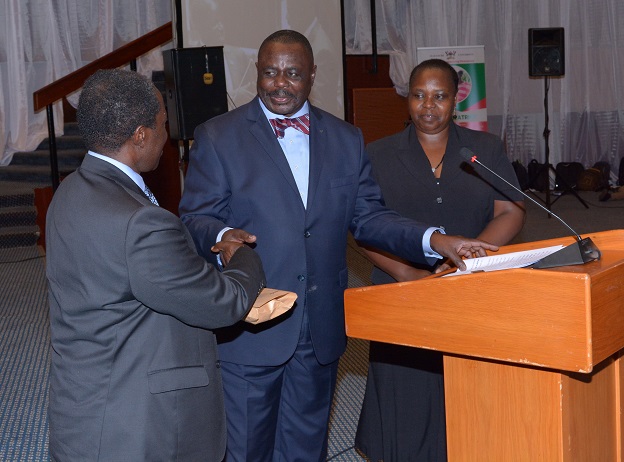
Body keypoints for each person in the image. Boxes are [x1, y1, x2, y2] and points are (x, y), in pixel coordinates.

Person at [179, 30, 498, 461]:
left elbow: (368, 218)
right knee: (246, 449)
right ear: (257, 72)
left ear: (312, 75)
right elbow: (194, 216)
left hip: (319, 324)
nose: (280, 83)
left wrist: (435, 239)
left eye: (293, 73)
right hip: (253, 321)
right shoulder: (219, 136)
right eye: (270, 72)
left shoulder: (346, 139)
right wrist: (220, 237)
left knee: (306, 447)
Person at [46, 69, 266, 461]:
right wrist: (243, 254)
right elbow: (223, 303)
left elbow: (142, 275)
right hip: (138, 425)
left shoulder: (69, 191)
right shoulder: (139, 222)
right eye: (163, 125)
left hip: (86, 401)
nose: (167, 137)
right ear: (140, 135)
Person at [354, 59, 526, 461]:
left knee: (470, 390)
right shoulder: (376, 155)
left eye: (439, 96)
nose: (428, 106)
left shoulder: (483, 149)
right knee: (408, 397)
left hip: (474, 285)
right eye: (418, 95)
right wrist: (408, 274)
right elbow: (363, 228)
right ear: (407, 99)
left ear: (455, 102)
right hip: (401, 290)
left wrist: (470, 257)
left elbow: (511, 211)